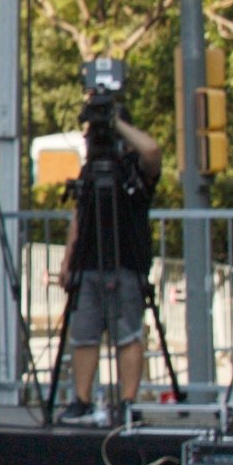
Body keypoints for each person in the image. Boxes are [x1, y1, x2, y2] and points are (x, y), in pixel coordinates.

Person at [58, 85, 162, 416]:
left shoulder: (135, 170)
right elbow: (80, 213)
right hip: (87, 261)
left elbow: (152, 150)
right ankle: (82, 399)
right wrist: (67, 258)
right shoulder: (90, 168)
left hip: (126, 259)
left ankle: (128, 401)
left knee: (127, 333)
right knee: (84, 333)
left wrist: (115, 122)